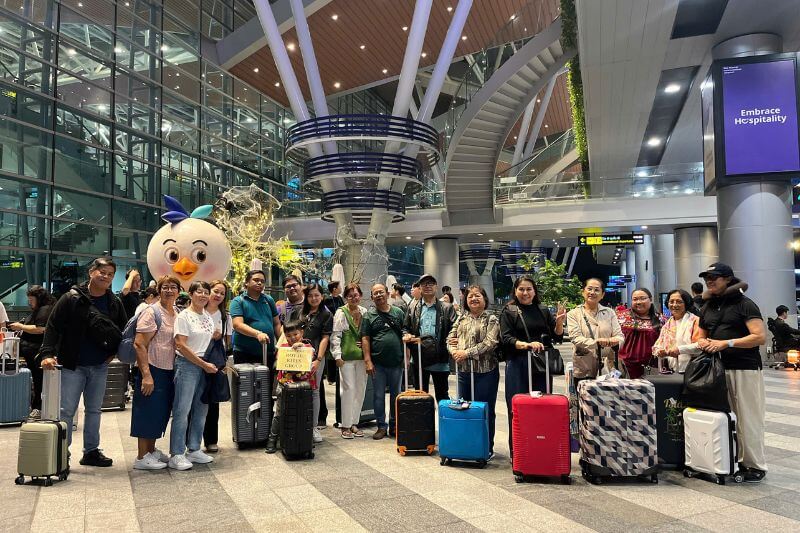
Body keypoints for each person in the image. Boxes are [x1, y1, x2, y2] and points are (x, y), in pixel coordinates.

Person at [39, 257, 128, 467]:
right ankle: (62, 454)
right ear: (91, 272)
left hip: (100, 365)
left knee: (94, 410)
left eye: (110, 274)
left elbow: (123, 331)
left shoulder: (114, 302)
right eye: (102, 272)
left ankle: (91, 451)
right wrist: (46, 353)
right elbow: (53, 326)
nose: (106, 277)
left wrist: (114, 352)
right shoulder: (71, 298)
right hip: (73, 365)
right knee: (67, 411)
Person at [695, 263, 767, 483]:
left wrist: (727, 343)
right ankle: (729, 459)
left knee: (748, 417)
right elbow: (699, 334)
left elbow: (759, 337)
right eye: (707, 277)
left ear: (727, 279)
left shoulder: (745, 304)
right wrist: (703, 342)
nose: (709, 280)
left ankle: (754, 465)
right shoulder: (708, 306)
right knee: (722, 417)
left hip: (745, 368)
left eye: (714, 277)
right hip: (717, 369)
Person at [500, 275, 564, 458]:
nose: (525, 293)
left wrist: (559, 322)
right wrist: (526, 344)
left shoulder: (542, 310)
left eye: (529, 289)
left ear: (534, 291)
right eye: (521, 289)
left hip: (541, 366)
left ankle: (540, 446)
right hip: (518, 364)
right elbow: (506, 338)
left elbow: (556, 337)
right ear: (515, 291)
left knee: (542, 405)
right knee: (517, 407)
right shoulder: (509, 311)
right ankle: (518, 451)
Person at [130, 275, 181, 470]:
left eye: (173, 287)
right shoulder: (152, 312)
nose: (169, 290)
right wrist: (146, 375)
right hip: (153, 368)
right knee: (147, 411)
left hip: (169, 369)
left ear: (178, 290)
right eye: (165, 287)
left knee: (159, 412)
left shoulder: (176, 312)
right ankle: (142, 457)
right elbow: (139, 344)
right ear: (158, 290)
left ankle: (151, 451)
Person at [446, 285, 500, 456]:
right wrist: (453, 351)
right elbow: (450, 337)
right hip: (463, 371)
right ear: (465, 300)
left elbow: (490, 343)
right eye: (470, 296)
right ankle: (469, 445)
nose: (474, 299)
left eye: (477, 296)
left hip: (486, 372)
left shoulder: (491, 319)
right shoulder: (461, 318)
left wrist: (466, 353)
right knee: (465, 408)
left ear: (485, 299)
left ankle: (486, 447)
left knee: (485, 409)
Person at [169, 281, 217, 470]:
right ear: (190, 294)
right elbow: (180, 345)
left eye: (206, 292)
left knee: (201, 408)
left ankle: (194, 448)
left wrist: (208, 365)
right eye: (199, 292)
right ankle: (177, 453)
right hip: (187, 365)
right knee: (182, 409)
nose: (203, 295)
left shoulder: (207, 316)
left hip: (204, 366)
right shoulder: (184, 317)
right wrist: (203, 364)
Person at [265, 320, 319, 453]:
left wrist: (302, 346)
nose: (292, 338)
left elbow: (312, 354)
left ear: (301, 333)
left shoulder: (308, 347)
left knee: (305, 413)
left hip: (305, 388)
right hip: (284, 386)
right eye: (288, 335)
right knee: (279, 413)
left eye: (295, 334)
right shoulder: (282, 348)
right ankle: (272, 439)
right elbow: (278, 364)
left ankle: (307, 438)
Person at [403, 274, 457, 403]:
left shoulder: (447, 308)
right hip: (419, 358)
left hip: (440, 358)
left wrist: (454, 339)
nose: (427, 286)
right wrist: (407, 335)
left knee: (442, 396)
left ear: (436, 287)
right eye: (424, 284)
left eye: (431, 283)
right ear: (419, 288)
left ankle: (444, 422)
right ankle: (424, 423)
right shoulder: (412, 307)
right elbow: (405, 328)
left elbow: (455, 328)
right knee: (420, 396)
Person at [361, 283, 406, 440]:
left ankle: (395, 425)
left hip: (396, 363)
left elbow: (405, 334)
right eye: (375, 293)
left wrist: (406, 358)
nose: (379, 295)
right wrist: (367, 360)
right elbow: (365, 338)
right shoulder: (368, 316)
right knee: (378, 396)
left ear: (387, 294)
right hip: (377, 364)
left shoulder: (399, 313)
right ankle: (381, 426)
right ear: (372, 297)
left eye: (381, 292)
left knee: (396, 395)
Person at [291, 282, 332, 443]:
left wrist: (318, 360)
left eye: (317, 295)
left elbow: (325, 338)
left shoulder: (326, 314)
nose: (314, 298)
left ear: (322, 297)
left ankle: (313, 427)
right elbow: (288, 331)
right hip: (295, 356)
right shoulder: (297, 311)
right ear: (306, 296)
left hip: (315, 358)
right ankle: (296, 423)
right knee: (294, 387)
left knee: (314, 391)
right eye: (310, 295)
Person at [566, 278, 624, 386]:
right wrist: (597, 342)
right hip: (583, 368)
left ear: (602, 295)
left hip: (608, 368)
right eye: (589, 289)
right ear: (583, 292)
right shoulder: (574, 314)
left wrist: (615, 341)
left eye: (597, 290)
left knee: (608, 400)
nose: (592, 292)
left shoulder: (609, 312)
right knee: (585, 400)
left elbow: (619, 336)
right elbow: (575, 338)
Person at [9, 285, 55, 418]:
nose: (30, 302)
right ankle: (37, 406)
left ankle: (39, 407)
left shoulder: (45, 310)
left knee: (39, 380)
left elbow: (41, 329)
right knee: (37, 380)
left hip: (37, 352)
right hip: (32, 351)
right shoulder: (40, 310)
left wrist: (21, 326)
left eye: (31, 299)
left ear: (38, 298)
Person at [332, 283, 368, 439]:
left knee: (360, 389)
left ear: (360, 295)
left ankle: (354, 423)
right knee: (348, 389)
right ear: (345, 297)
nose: (354, 298)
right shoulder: (341, 312)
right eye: (350, 295)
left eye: (356, 295)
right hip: (346, 358)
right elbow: (336, 335)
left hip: (361, 357)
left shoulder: (365, 312)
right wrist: (337, 356)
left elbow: (368, 334)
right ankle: (345, 425)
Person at [202, 280, 232, 454]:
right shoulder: (197, 311)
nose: (218, 295)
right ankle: (191, 441)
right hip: (195, 359)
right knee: (194, 401)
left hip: (214, 362)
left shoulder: (225, 316)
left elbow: (227, 343)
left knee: (213, 402)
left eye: (222, 293)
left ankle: (211, 440)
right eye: (216, 291)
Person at [230, 269, 281, 368]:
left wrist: (281, 344)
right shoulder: (238, 301)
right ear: (247, 282)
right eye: (256, 280)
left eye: (262, 281)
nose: (259, 283)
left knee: (267, 382)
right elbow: (237, 325)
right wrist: (257, 334)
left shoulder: (268, 299)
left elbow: (276, 323)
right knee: (246, 382)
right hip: (244, 353)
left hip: (267, 352)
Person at [652, 289, 702, 372]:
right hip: (671, 370)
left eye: (679, 302)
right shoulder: (666, 324)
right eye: (671, 301)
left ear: (686, 303)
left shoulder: (695, 321)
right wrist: (659, 351)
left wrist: (679, 349)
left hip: (693, 370)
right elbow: (658, 345)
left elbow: (700, 345)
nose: (674, 305)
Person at [618, 288, 663, 378]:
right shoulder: (620, 317)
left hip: (651, 367)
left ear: (650, 299)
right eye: (635, 299)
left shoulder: (661, 320)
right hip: (624, 366)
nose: (638, 302)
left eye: (642, 298)